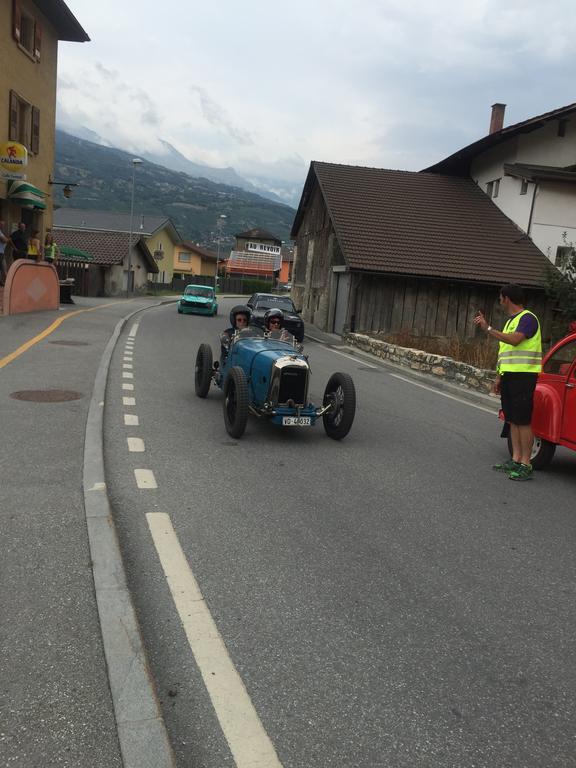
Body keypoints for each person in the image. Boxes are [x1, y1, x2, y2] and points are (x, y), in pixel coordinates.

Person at [474, 283, 542, 481]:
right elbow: (505, 352)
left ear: (506, 298)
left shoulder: (528, 318)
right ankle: (515, 459)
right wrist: (498, 377)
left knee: (523, 420)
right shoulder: (510, 321)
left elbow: (515, 340)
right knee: (512, 419)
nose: (499, 301)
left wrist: (488, 328)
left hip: (524, 376)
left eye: (500, 297)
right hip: (509, 376)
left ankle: (526, 464)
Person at [0, 220, 9, 286]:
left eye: (3, 224)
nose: (2, 226)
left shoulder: (1, 232)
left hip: (2, 253)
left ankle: (7, 283)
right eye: (1, 224)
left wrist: (6, 240)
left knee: (4, 268)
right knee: (3, 268)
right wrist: (7, 239)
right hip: (0, 253)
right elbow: (4, 240)